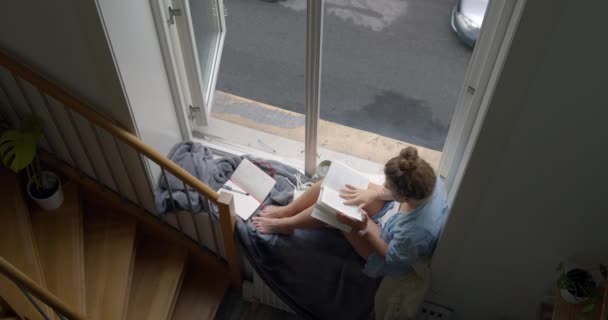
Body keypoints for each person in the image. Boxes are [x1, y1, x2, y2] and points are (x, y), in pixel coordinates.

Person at [252, 146, 449, 279]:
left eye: (389, 186)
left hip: (384, 251)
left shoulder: (416, 232)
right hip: (393, 212)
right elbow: (389, 193)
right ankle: (286, 211)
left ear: (405, 196)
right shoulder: (428, 182)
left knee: (335, 209)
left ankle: (285, 225)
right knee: (336, 183)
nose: (383, 187)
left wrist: (365, 227)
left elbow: (390, 255)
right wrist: (372, 195)